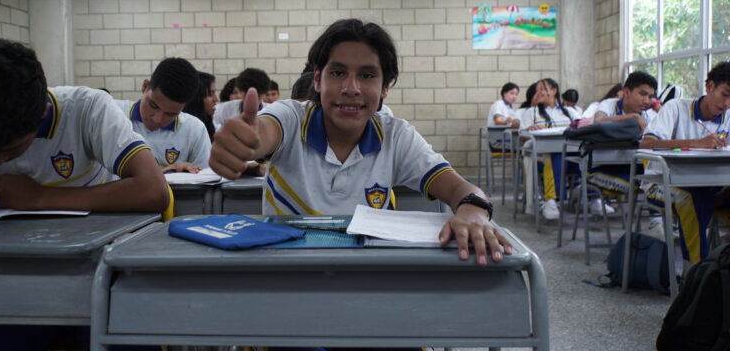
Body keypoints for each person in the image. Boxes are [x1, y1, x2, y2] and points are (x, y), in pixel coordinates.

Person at [210, 18, 512, 265]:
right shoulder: (291, 118)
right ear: (317, 80)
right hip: (288, 278)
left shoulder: (396, 136)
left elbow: (461, 188)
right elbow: (264, 133)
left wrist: (472, 211)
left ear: (385, 89)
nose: (351, 88)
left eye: (367, 75)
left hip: (369, 281)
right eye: (338, 72)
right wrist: (245, 141)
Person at [0, 39, 169, 215]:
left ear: (43, 113)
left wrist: (38, 198)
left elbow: (153, 190)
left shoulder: (87, 109)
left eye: (9, 149)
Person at [640, 62, 730, 265]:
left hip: (712, 186)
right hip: (662, 184)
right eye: (725, 94)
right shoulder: (676, 108)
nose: (727, 103)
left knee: (703, 197)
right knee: (694, 200)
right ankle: (696, 274)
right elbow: (646, 143)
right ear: (710, 87)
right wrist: (697, 144)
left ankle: (721, 268)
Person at [116, 58, 211, 174]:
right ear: (145, 86)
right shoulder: (113, 115)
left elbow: (206, 179)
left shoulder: (195, 129)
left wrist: (188, 175)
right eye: (153, 105)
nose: (157, 119)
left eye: (170, 114)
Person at [586, 71, 658, 216]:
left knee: (656, 180)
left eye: (650, 97)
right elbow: (598, 121)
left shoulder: (649, 114)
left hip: (633, 168)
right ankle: (656, 222)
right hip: (602, 168)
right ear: (626, 92)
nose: (646, 100)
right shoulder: (609, 105)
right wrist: (633, 117)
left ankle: (656, 222)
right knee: (650, 184)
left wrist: (658, 108)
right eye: (642, 94)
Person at [520, 78, 582, 220]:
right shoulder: (531, 112)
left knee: (585, 156)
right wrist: (528, 130)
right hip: (541, 156)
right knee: (554, 156)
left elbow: (582, 125)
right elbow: (522, 136)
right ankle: (551, 200)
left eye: (543, 89)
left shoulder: (569, 112)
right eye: (537, 90)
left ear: (554, 91)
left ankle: (592, 196)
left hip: (569, 153)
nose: (539, 92)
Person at [184, 71, 219, 141]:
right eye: (211, 94)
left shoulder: (212, 126)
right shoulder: (184, 131)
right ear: (196, 98)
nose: (216, 99)